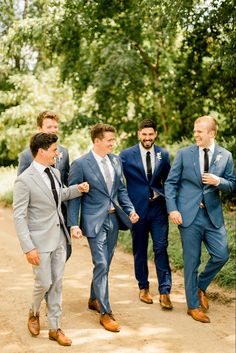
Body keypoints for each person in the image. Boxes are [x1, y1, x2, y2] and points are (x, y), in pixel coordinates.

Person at [13, 132, 89, 346]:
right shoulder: (24, 180)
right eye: (54, 150)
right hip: (39, 241)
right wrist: (28, 247)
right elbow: (19, 217)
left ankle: (55, 328)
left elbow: (58, 196)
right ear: (42, 151)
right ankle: (34, 311)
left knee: (57, 284)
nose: (58, 153)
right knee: (44, 282)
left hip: (59, 238)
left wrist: (77, 189)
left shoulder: (54, 172)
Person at [68, 123, 139, 333]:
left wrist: (130, 210)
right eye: (109, 140)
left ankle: (93, 298)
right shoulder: (80, 164)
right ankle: (105, 313)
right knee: (100, 263)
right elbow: (74, 197)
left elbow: (121, 189)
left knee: (105, 264)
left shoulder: (116, 160)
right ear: (97, 141)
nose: (112, 143)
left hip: (114, 220)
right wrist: (73, 223)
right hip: (93, 222)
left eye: (112, 140)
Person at [164, 115, 236, 323]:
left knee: (221, 254)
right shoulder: (184, 154)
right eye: (195, 131)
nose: (195, 135)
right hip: (188, 216)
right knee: (191, 261)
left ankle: (200, 286)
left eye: (200, 131)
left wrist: (218, 181)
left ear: (211, 133)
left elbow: (232, 184)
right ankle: (192, 306)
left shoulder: (226, 155)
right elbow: (170, 184)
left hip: (212, 217)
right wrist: (173, 210)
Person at [120, 119, 173, 309]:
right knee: (140, 250)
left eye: (151, 135)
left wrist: (170, 204)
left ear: (155, 134)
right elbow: (119, 183)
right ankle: (143, 287)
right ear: (138, 134)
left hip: (158, 210)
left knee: (161, 248)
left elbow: (169, 181)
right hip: (137, 211)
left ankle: (165, 291)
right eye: (144, 134)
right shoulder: (125, 155)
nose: (147, 138)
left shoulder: (163, 154)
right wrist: (125, 208)